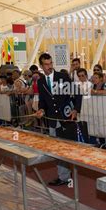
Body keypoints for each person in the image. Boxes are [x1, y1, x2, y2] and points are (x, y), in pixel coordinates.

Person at [35, 53, 82, 186]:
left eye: (51, 63)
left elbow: (77, 93)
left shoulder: (62, 77)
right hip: (52, 120)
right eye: (46, 64)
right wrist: (41, 110)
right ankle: (64, 176)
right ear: (41, 66)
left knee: (68, 148)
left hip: (66, 118)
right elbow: (43, 101)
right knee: (57, 150)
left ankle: (67, 173)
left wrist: (76, 109)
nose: (49, 66)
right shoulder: (41, 81)